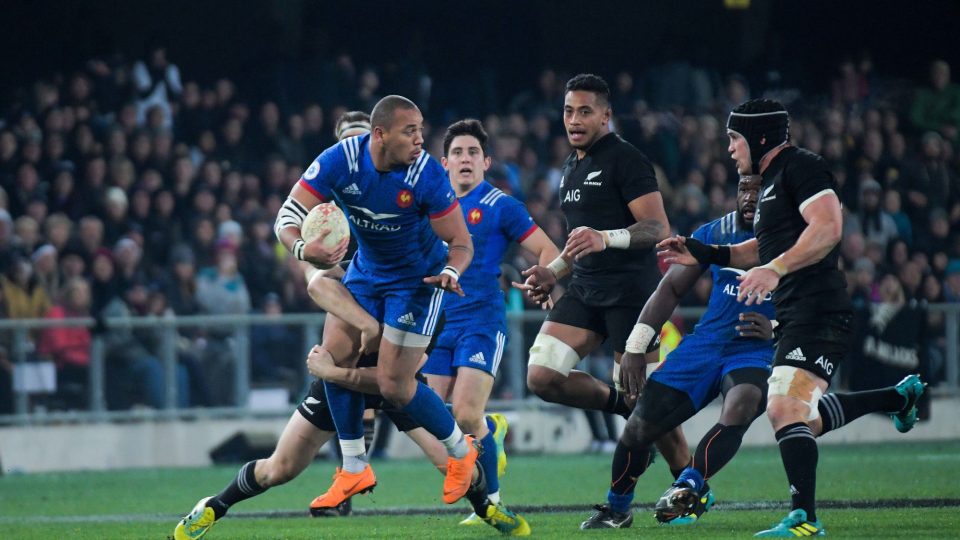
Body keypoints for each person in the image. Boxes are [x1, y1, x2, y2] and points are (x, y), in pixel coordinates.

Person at [658, 98, 925, 537]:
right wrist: (708, 252)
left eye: (734, 138)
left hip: (819, 309)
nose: (729, 149)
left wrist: (775, 269)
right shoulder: (768, 185)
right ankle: (896, 399)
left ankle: (805, 518)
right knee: (802, 418)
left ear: (759, 138)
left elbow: (828, 228)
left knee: (783, 407)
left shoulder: (802, 167)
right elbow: (761, 250)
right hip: (796, 312)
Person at [275, 95, 480, 512]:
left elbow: (461, 243)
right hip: (368, 273)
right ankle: (353, 467)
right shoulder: (340, 159)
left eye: (422, 129)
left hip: (416, 281)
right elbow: (286, 215)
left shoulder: (426, 176)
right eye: (411, 131)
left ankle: (461, 452)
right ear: (380, 134)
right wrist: (301, 249)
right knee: (333, 358)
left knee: (393, 386)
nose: (421, 140)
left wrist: (452, 273)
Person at [512, 74, 691, 481]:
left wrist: (606, 237)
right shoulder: (571, 164)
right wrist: (552, 271)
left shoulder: (626, 159)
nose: (574, 120)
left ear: (606, 116)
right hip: (586, 289)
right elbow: (581, 243)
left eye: (585, 111)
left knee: (644, 397)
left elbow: (657, 227)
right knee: (542, 376)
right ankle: (623, 407)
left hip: (631, 293)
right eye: (568, 111)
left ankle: (689, 482)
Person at [580, 174, 774, 529]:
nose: (750, 196)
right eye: (744, 187)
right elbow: (669, 290)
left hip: (753, 350)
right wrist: (636, 347)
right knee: (638, 427)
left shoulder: (799, 241)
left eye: (759, 190)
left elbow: (819, 301)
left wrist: (778, 329)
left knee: (742, 402)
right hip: (706, 345)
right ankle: (617, 509)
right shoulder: (714, 233)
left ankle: (689, 487)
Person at [416, 119, 558, 526]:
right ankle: (490, 432)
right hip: (438, 323)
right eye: (457, 153)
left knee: (463, 414)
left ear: (486, 161)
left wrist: (542, 278)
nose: (465, 159)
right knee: (435, 422)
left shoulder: (501, 206)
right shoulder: (430, 207)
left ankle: (490, 502)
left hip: (481, 319)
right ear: (444, 163)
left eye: (473, 153)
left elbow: (547, 249)